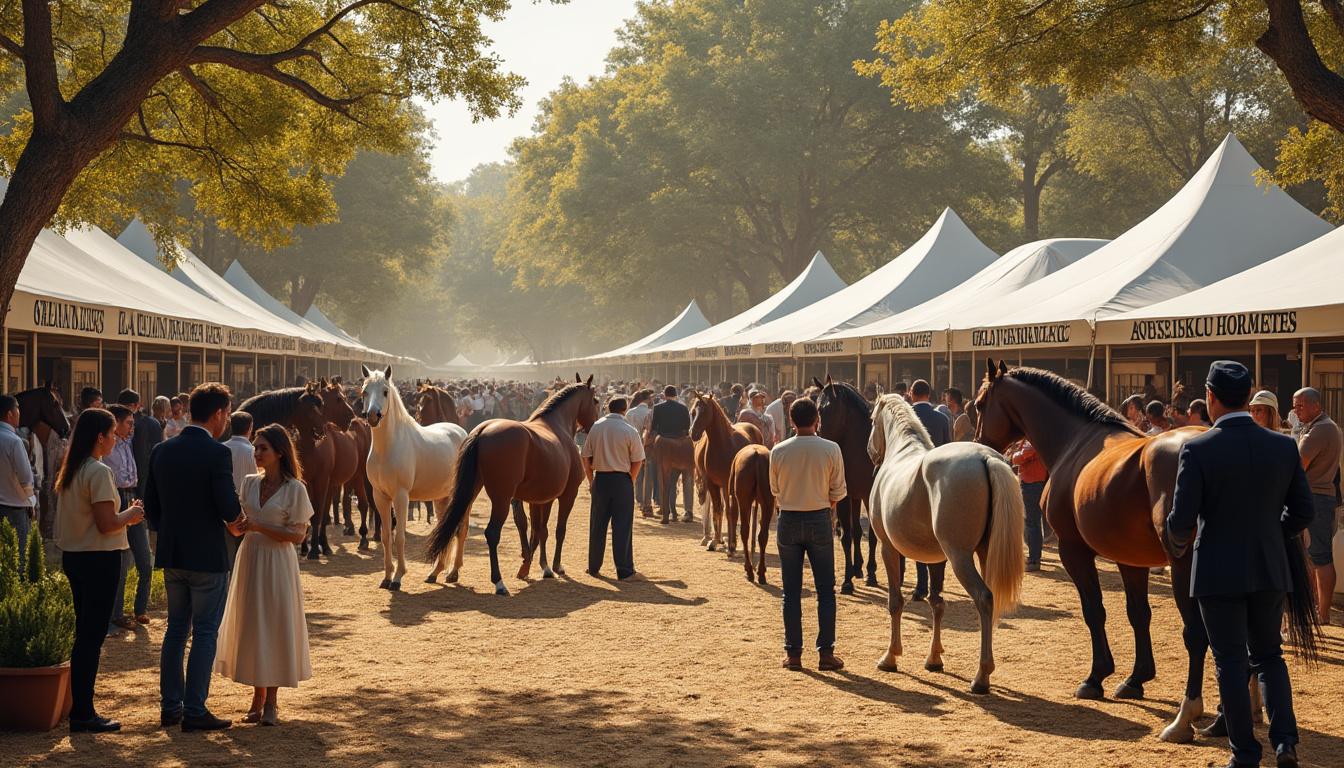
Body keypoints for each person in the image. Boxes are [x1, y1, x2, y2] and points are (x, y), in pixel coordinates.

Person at [1166, 361, 1313, 768]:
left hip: (1216, 570)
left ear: (1210, 398)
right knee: (1269, 656)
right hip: (1269, 566)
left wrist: (1173, 537)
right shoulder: (1283, 446)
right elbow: (1302, 512)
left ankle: (1244, 752)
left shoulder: (1197, 449)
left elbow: (1181, 521)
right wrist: (1272, 534)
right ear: (1249, 398)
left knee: (1229, 662)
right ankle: (1285, 743)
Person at [144, 383, 248, 732]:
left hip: (173, 552)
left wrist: (173, 529)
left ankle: (170, 706)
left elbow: (151, 508)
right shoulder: (217, 454)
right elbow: (228, 507)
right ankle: (195, 708)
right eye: (227, 413)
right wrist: (237, 523)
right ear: (217, 414)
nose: (227, 420)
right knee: (204, 632)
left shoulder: (161, 450)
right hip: (206, 554)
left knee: (176, 630)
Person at [215, 425, 313, 726]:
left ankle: (272, 700)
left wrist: (258, 527)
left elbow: (297, 535)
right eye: (256, 447)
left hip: (277, 562)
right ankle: (257, 698)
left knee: (274, 624)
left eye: (262, 448)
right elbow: (238, 527)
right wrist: (231, 523)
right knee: (253, 625)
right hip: (251, 557)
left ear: (279, 452)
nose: (256, 453)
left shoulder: (295, 489)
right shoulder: (248, 483)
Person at [55, 408, 145, 733]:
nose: (115, 439)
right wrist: (131, 514)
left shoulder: (72, 469)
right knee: (91, 637)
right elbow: (107, 523)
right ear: (100, 437)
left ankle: (80, 707)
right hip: (98, 558)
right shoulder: (98, 471)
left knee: (85, 634)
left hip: (75, 556)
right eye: (112, 434)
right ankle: (83, 711)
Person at [769, 397, 846, 672]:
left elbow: (775, 490)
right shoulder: (831, 448)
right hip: (819, 516)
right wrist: (824, 506)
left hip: (789, 518)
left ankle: (793, 653)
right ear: (817, 419)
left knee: (790, 591)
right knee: (825, 590)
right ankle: (826, 652)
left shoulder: (778, 451)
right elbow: (838, 491)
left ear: (791, 421)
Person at [1291, 386, 1343, 625]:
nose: (1296, 410)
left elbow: (1298, 464)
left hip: (1316, 498)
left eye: (1300, 406)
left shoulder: (1321, 429)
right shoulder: (1321, 426)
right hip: (1319, 497)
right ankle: (1317, 609)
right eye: (1295, 405)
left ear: (1316, 405)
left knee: (1320, 556)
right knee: (1313, 556)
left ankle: (1323, 614)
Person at [582, 396, 645, 580]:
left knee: (597, 525)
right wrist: (630, 479)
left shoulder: (596, 427)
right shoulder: (629, 430)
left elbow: (585, 457)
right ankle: (624, 570)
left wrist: (591, 479)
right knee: (622, 526)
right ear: (625, 409)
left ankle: (593, 566)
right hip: (622, 480)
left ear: (608, 408)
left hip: (601, 479)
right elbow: (638, 460)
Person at [107, 404, 152, 632]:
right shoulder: (106, 446)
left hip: (132, 496)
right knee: (122, 562)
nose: (132, 427)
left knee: (145, 560)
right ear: (115, 422)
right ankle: (116, 614)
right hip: (115, 497)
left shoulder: (129, 442)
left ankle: (140, 609)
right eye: (128, 423)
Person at [906, 380, 948, 600]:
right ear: (929, 394)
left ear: (912, 394)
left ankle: (921, 585)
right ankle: (936, 586)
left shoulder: (907, 417)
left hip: (912, 479)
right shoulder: (942, 418)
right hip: (938, 479)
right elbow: (948, 448)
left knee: (917, 533)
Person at [647, 385, 693, 520]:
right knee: (687, 480)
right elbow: (687, 427)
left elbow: (654, 427)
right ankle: (688, 511)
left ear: (665, 395)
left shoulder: (658, 408)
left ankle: (667, 511)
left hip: (664, 444)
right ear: (676, 395)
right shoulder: (683, 408)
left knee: (666, 480)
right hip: (683, 445)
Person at [0, 394, 36, 566]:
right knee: (19, 559)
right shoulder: (14, 441)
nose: (19, 414)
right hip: (14, 507)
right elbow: (26, 479)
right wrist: (32, 502)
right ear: (10, 414)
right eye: (18, 409)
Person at [224, 411, 258, 566]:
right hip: (246, 509)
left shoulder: (221, 448)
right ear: (250, 428)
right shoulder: (252, 452)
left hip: (224, 509)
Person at [1010, 439, 1049, 571]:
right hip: (1032, 483)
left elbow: (1017, 458)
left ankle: (1034, 560)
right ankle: (1034, 554)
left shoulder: (1032, 441)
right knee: (1032, 522)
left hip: (1031, 484)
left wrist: (1015, 453)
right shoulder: (1031, 440)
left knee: (1032, 522)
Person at [626, 390, 655, 517]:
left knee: (635, 474)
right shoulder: (650, 413)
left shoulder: (630, 413)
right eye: (651, 398)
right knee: (647, 476)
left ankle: (637, 499)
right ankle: (645, 502)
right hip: (646, 445)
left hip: (630, 445)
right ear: (647, 399)